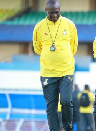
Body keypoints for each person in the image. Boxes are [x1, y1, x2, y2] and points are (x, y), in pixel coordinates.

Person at [32, 0, 78, 130]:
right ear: (46, 11)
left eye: (56, 12)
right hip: (48, 72)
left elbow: (74, 46)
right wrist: (50, 57)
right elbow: (37, 48)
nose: (54, 15)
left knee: (66, 100)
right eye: (51, 13)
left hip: (66, 70)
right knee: (51, 105)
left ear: (60, 10)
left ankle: (68, 127)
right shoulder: (39, 27)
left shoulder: (69, 25)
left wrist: (63, 58)